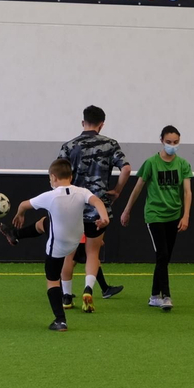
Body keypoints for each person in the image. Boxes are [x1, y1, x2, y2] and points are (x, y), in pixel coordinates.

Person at [10, 160, 109, 331]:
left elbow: (23, 204)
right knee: (45, 222)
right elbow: (97, 201)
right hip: (76, 240)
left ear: (53, 177)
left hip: (58, 246)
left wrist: (20, 214)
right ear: (71, 176)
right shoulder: (82, 191)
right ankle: (16, 235)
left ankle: (60, 320)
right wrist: (104, 217)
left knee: (52, 280)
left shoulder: (50, 196)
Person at [57, 105, 131, 304]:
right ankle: (88, 289)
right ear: (101, 124)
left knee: (68, 253)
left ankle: (65, 295)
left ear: (83, 122)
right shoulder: (110, 144)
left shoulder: (68, 146)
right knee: (92, 252)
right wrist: (116, 190)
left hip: (71, 207)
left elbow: (57, 174)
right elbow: (126, 169)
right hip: (97, 208)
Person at [119, 125, 193, 311]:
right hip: (155, 215)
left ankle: (154, 295)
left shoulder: (183, 164)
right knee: (162, 254)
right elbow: (138, 187)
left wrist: (186, 215)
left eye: (175, 142)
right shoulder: (151, 163)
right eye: (168, 142)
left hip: (174, 214)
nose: (172, 145)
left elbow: (187, 191)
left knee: (164, 258)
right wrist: (127, 210)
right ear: (161, 140)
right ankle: (166, 296)